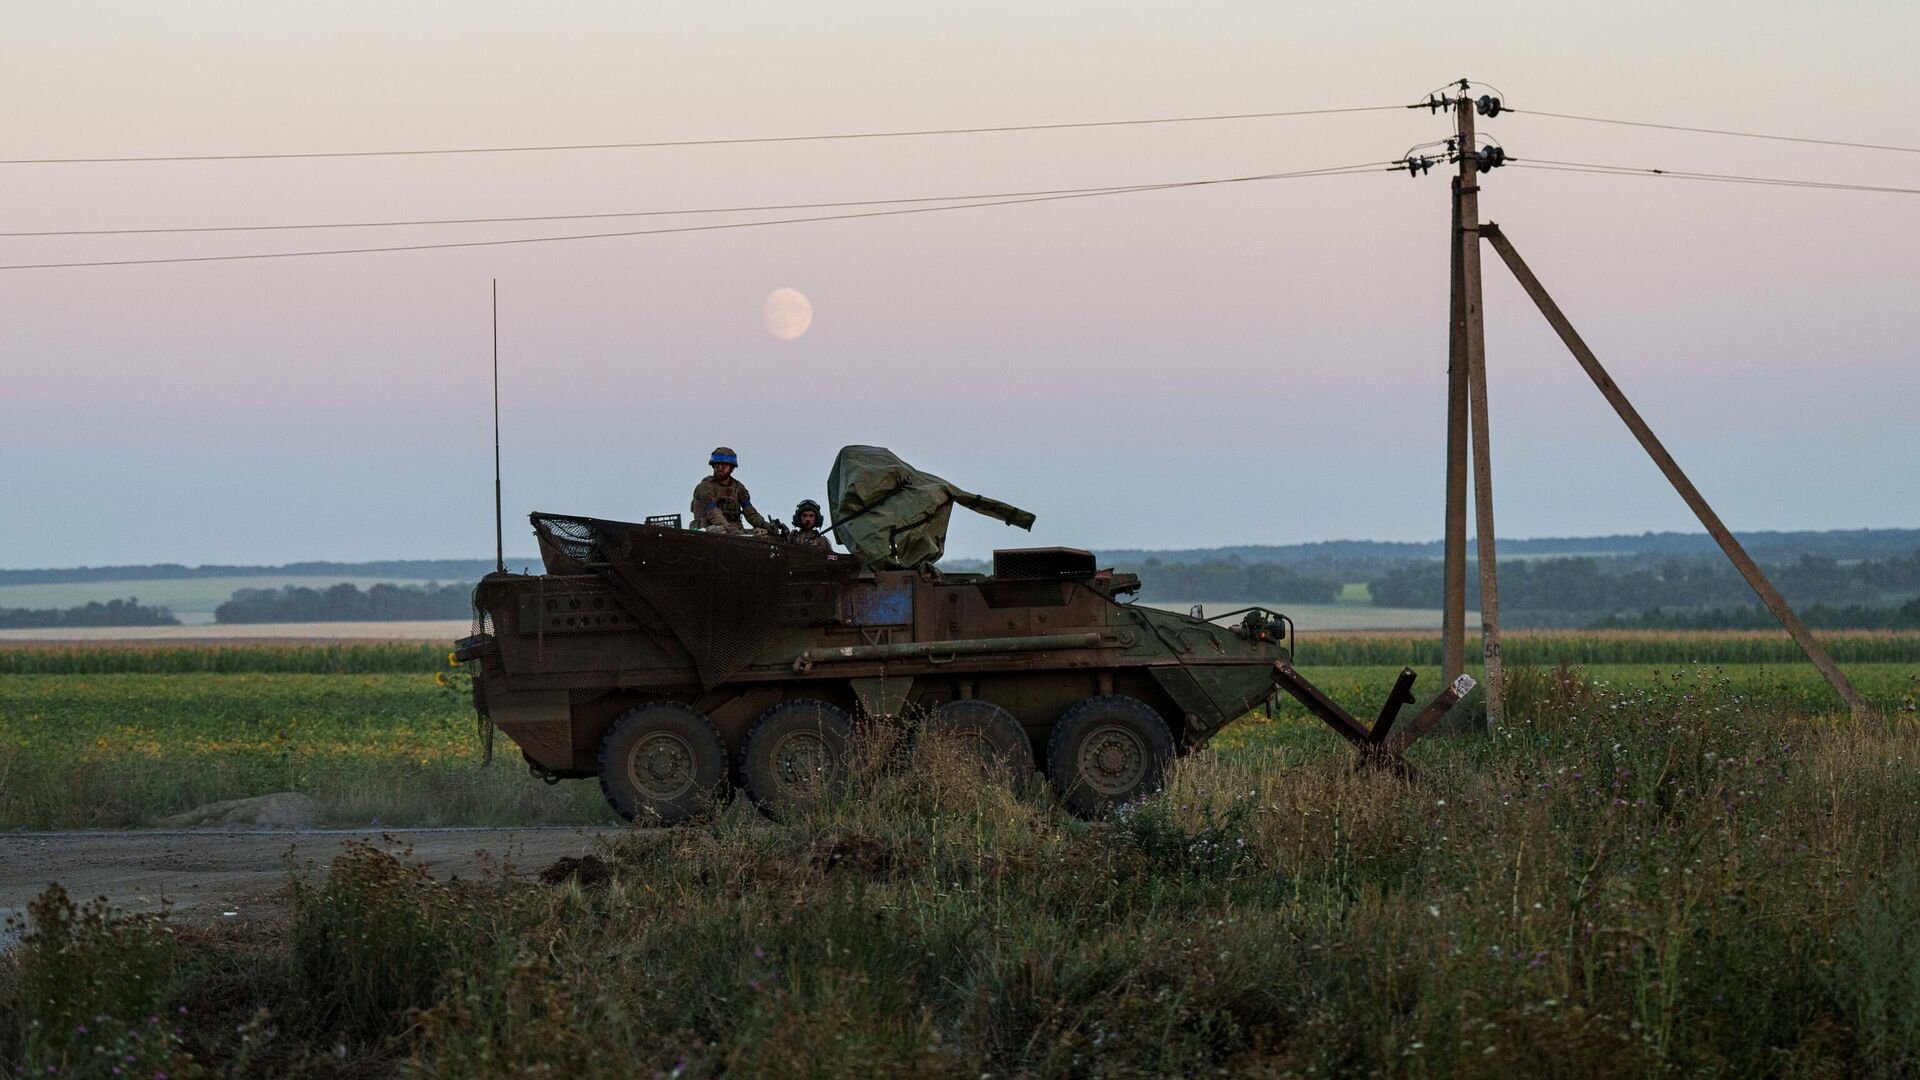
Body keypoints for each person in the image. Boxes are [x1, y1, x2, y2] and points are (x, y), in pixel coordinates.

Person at [690, 447, 768, 534]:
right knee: (721, 532)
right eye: (717, 465)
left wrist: (764, 524)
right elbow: (713, 512)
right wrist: (729, 528)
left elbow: (750, 512)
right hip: (707, 529)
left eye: (724, 465)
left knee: (762, 533)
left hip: (735, 530)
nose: (719, 468)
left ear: (731, 468)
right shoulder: (705, 487)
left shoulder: (738, 487)